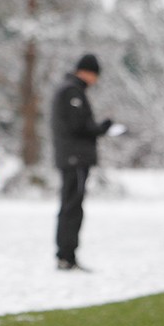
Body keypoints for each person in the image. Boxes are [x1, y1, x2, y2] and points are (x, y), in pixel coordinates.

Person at [51, 53, 112, 271]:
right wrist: (102, 128)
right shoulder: (71, 91)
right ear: (86, 72)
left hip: (72, 157)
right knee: (72, 207)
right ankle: (67, 256)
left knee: (71, 205)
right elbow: (78, 126)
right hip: (74, 158)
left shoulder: (70, 89)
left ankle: (66, 255)